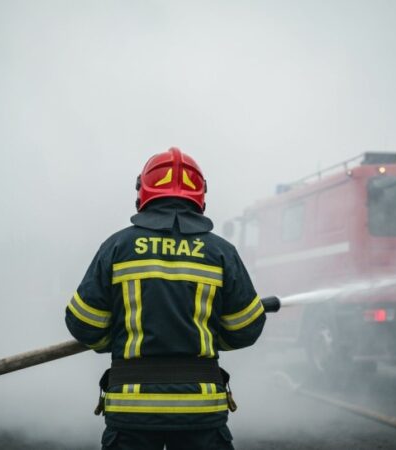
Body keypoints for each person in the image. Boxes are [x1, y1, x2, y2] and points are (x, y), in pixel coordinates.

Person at [65, 147, 266, 450]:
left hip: (131, 410)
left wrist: (117, 339)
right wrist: (206, 337)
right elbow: (246, 329)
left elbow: (83, 323)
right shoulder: (221, 252)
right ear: (200, 196)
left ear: (142, 192)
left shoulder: (117, 247)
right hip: (201, 413)